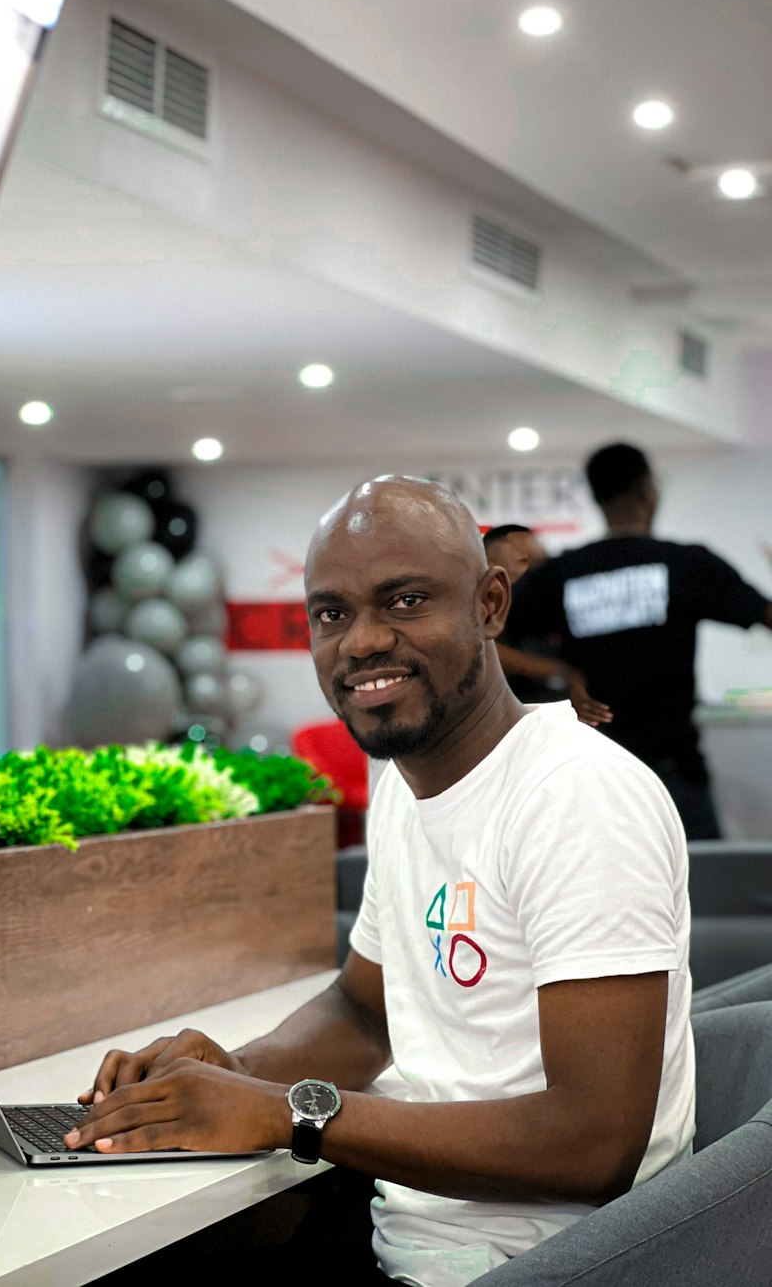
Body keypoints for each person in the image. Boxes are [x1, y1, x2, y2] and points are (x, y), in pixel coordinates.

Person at [63, 475, 694, 1286]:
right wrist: (236, 1071)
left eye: (402, 601)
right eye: (332, 613)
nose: (360, 641)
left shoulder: (577, 795)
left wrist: (288, 1113)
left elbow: (594, 1141)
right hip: (410, 1229)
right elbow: (365, 1011)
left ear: (491, 604)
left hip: (536, 1265)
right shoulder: (407, 780)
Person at [506, 443, 772, 840]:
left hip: (590, 772)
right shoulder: (685, 564)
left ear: (596, 498)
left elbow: (482, 637)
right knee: (698, 891)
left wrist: (558, 669)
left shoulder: (561, 575)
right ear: (649, 492)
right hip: (672, 772)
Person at [483, 523, 610, 723]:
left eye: (537, 563)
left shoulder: (557, 591)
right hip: (515, 710)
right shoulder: (485, 603)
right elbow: (488, 649)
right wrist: (559, 671)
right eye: (522, 561)